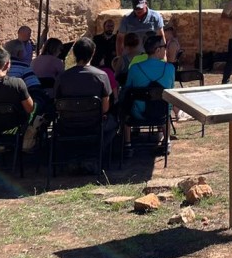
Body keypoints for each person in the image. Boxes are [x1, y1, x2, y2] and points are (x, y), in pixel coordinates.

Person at [55, 37, 118, 165]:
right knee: (114, 122)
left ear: (74, 54)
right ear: (93, 53)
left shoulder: (62, 77)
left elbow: (57, 103)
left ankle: (73, 155)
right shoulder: (101, 76)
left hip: (67, 125)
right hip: (94, 124)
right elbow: (105, 108)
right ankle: (96, 154)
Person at [121, 34, 176, 157]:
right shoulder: (170, 68)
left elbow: (127, 89)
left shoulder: (134, 68)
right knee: (165, 103)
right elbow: (172, 91)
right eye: (164, 47)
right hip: (161, 113)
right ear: (157, 50)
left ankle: (128, 143)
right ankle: (166, 141)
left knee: (126, 104)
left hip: (138, 114)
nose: (165, 49)